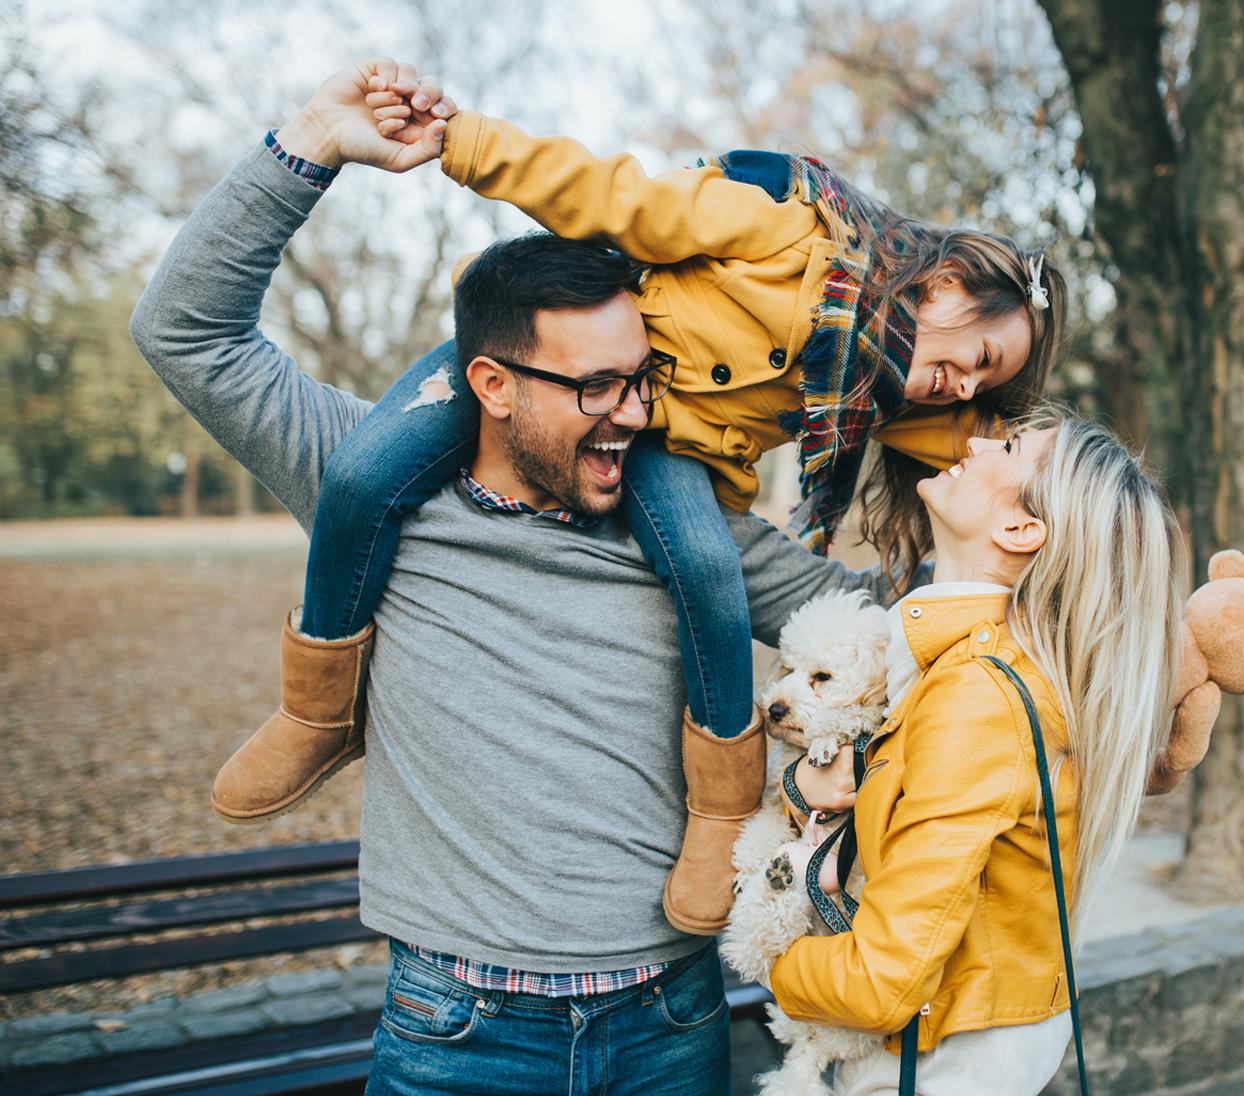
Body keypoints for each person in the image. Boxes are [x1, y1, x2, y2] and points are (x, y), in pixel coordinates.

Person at [129, 60, 925, 1094]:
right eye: (596, 385)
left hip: (670, 1022)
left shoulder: (693, 528)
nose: (635, 413)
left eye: (641, 379)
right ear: (492, 385)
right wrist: (311, 147)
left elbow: (885, 617)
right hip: (458, 1032)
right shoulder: (367, 477)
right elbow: (184, 330)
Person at [208, 60, 1068, 935]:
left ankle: (720, 813)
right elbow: (615, 198)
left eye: (981, 385)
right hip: (573, 366)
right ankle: (316, 708)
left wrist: (1099, 535)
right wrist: (463, 143)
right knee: (359, 474)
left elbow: (1016, 469)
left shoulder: (894, 394)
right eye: (975, 358)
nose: (960, 387)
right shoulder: (784, 240)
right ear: (946, 285)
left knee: (704, 569)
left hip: (663, 450)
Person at [771, 414, 1185, 1094]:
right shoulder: (982, 665)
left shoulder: (976, 693)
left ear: (1021, 529)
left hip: (940, 1066)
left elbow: (882, 983)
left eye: (1011, 448)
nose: (978, 442)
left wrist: (775, 959)